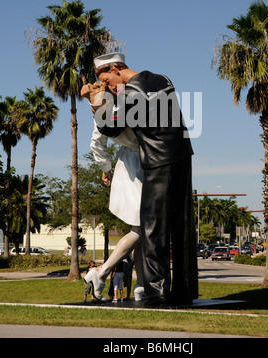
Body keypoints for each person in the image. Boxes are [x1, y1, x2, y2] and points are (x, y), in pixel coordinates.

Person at [93, 52, 198, 306]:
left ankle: (156, 291)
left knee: (152, 229)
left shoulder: (130, 95)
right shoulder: (163, 79)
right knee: (182, 225)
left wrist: (96, 103)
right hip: (183, 155)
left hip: (158, 160)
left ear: (116, 69)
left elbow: (110, 127)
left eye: (107, 80)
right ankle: (184, 290)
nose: (108, 87)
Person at [82, 81, 144, 301]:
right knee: (142, 227)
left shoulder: (102, 116)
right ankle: (103, 271)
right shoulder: (126, 106)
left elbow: (96, 144)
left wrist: (106, 169)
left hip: (125, 163)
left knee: (139, 231)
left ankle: (141, 284)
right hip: (142, 163)